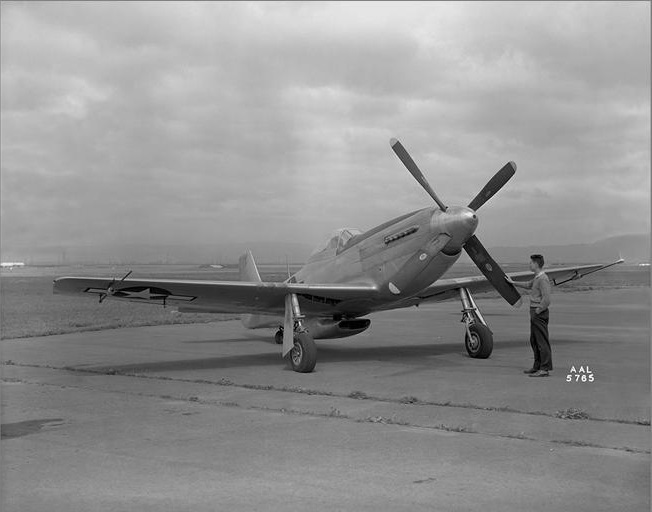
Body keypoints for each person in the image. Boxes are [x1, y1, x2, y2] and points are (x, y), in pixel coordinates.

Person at [505, 254, 552, 377]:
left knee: (542, 341)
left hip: (538, 312)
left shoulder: (543, 279)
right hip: (534, 312)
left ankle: (544, 368)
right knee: (534, 340)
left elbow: (547, 300)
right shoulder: (537, 278)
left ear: (536, 264)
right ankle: (537, 366)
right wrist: (512, 282)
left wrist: (538, 310)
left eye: (530, 263)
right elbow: (528, 285)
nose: (529, 264)